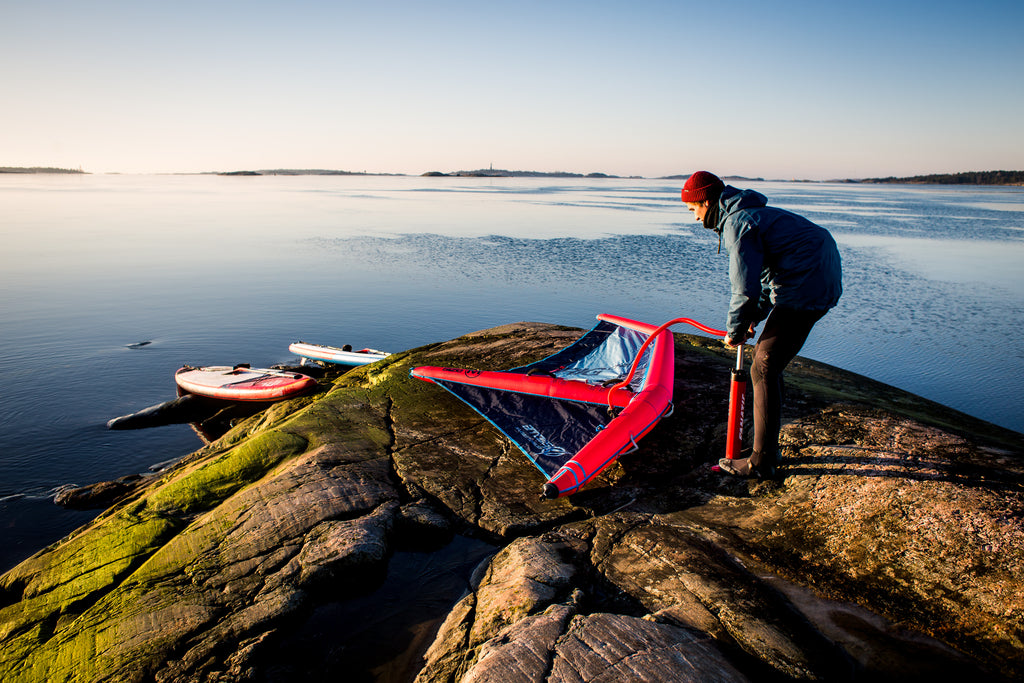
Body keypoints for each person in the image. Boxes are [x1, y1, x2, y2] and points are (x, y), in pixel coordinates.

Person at [680, 171, 842, 479]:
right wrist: (754, 316)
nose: (696, 219)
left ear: (705, 202)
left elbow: (744, 287)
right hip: (814, 279)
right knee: (770, 365)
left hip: (807, 284)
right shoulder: (749, 215)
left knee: (763, 367)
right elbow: (769, 278)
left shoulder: (737, 224)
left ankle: (761, 460)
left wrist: (735, 330)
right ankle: (768, 450)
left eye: (694, 210)